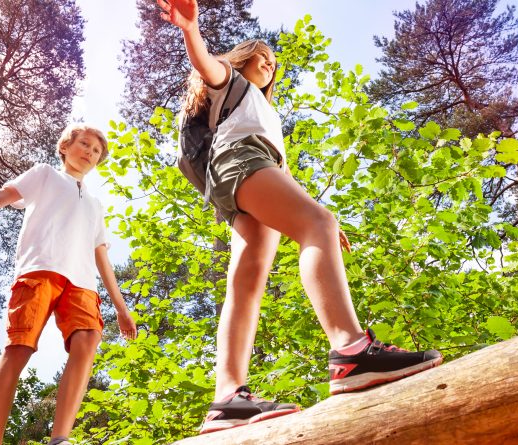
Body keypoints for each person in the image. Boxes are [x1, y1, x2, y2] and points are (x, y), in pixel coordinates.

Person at [157, 0, 443, 434]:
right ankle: (350, 351)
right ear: (240, 61)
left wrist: (324, 220)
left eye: (274, 63)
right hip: (241, 162)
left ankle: (227, 399)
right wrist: (190, 29)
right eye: (261, 58)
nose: (269, 65)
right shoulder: (230, 83)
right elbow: (204, 64)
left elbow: (284, 177)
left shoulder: (263, 112)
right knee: (315, 228)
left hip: (243, 174)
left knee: (247, 281)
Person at [0, 124, 137, 445]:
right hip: (40, 271)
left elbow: (102, 259)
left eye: (96, 151)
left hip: (81, 283)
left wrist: (121, 309)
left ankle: (59, 438)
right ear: (66, 146)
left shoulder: (96, 206)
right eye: (84, 144)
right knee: (19, 349)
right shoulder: (45, 175)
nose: (90, 152)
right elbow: (3, 196)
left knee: (89, 338)